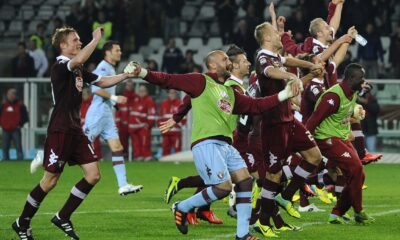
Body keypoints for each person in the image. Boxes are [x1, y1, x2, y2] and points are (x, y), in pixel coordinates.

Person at [125, 49, 301, 240]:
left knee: (245, 181)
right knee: (223, 187)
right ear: (212, 65)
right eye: (225, 59)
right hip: (206, 143)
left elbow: (256, 105)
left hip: (226, 145)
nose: (229, 62)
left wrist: (285, 94)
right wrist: (142, 72)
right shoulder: (200, 81)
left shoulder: (229, 92)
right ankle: (182, 207)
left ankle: (242, 234)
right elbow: (168, 79)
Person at [12, 26, 137, 240]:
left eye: (80, 40)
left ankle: (63, 216)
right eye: (75, 40)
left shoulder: (77, 69)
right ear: (63, 45)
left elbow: (103, 81)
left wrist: (126, 75)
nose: (79, 42)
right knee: (50, 181)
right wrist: (95, 40)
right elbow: (78, 60)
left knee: (93, 175)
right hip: (60, 130)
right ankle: (22, 223)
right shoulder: (60, 66)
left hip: (75, 129)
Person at [253, 21, 324, 237]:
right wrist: (291, 75)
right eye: (275, 33)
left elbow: (287, 61)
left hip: (290, 120)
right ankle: (263, 222)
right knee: (273, 176)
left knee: (314, 157)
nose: (279, 35)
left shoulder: (277, 58)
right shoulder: (262, 58)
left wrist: (310, 69)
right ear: (266, 38)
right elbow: (272, 71)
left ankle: (287, 195)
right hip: (274, 125)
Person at [306, 63, 375, 224]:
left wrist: (355, 115)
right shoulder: (333, 96)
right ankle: (359, 211)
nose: (363, 81)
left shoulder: (352, 93)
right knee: (356, 169)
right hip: (326, 138)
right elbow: (313, 121)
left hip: (341, 137)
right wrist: (307, 144)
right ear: (351, 78)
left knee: (359, 174)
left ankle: (336, 213)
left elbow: (343, 115)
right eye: (360, 78)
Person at [83, 40, 143, 195]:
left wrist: (113, 102)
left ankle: (123, 185)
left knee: (117, 147)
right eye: (117, 50)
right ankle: (45, 156)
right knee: (80, 144)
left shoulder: (109, 67)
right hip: (98, 113)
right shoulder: (103, 67)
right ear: (108, 52)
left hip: (106, 113)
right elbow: (95, 89)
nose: (120, 52)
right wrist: (115, 98)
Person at [128, 84, 156, 161]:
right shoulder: (136, 100)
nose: (141, 92)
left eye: (143, 91)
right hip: (134, 127)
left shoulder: (149, 101)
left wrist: (148, 125)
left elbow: (151, 114)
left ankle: (147, 157)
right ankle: (138, 157)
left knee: (145, 143)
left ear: (147, 92)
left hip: (143, 126)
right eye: (140, 91)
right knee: (136, 144)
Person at [0, 88, 29, 160]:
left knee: (18, 147)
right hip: (5, 130)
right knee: (5, 147)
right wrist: (2, 125)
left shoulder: (21, 105)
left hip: (16, 129)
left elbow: (25, 117)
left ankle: (20, 160)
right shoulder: (3, 105)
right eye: (9, 94)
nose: (10, 96)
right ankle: (5, 160)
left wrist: (20, 124)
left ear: (15, 95)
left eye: (12, 94)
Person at [159, 89, 186, 156]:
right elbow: (160, 118)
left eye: (173, 93)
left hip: (176, 132)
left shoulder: (180, 103)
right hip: (166, 132)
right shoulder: (163, 104)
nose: (172, 94)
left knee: (177, 150)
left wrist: (180, 125)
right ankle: (165, 164)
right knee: (165, 150)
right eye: (170, 93)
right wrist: (162, 128)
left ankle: (178, 164)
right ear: (168, 94)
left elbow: (184, 118)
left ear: (176, 94)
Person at [115, 80, 137, 158]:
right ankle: (125, 156)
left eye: (131, 85)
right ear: (125, 86)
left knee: (136, 142)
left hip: (134, 124)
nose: (129, 87)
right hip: (123, 124)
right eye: (128, 85)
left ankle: (136, 156)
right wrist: (118, 124)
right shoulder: (121, 98)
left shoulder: (136, 98)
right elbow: (117, 111)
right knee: (123, 142)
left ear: (133, 86)